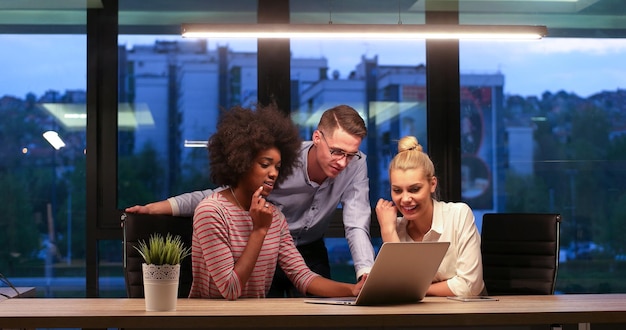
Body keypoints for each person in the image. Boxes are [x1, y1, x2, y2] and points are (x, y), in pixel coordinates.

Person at [126, 104, 375, 297]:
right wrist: (157, 208)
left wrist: (356, 286)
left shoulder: (274, 216)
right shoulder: (213, 211)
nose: (274, 174)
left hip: (285, 265)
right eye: (265, 165)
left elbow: (306, 273)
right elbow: (231, 289)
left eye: (278, 167)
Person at [374, 136, 485, 297]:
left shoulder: (459, 215)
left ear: (432, 184)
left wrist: (415, 289)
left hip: (464, 317)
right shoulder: (394, 228)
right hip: (413, 319)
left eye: (414, 189)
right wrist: (388, 232)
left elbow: (470, 286)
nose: (405, 199)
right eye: (397, 190)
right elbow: (392, 289)